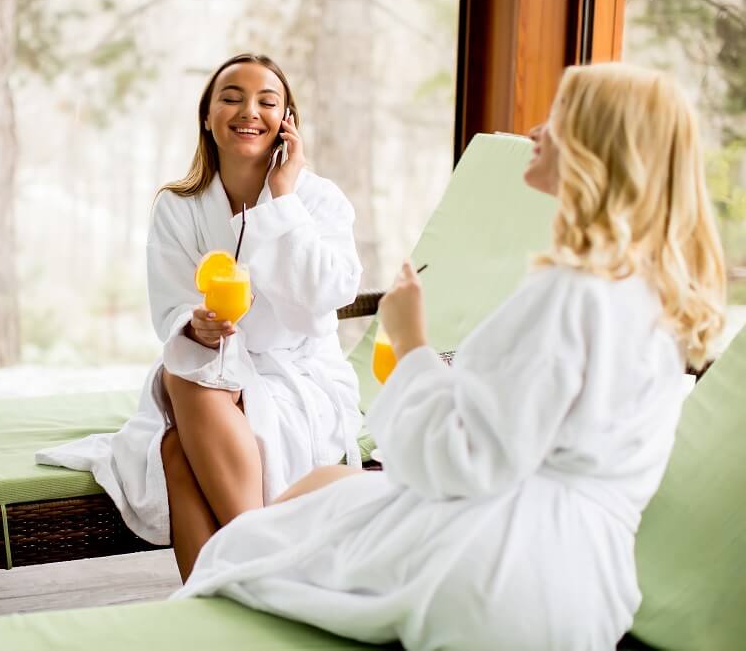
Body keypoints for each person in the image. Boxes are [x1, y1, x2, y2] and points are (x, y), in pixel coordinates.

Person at [174, 63, 727, 650]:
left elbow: (461, 460)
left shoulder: (568, 293)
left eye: (559, 119)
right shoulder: (654, 296)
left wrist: (411, 342)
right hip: (589, 577)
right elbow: (532, 423)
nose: (536, 131)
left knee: (245, 549)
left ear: (597, 150)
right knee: (318, 487)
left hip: (500, 569)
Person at [36, 53, 364, 581]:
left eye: (267, 101)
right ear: (207, 117)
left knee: (176, 447)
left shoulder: (319, 201)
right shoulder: (178, 206)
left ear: (288, 123)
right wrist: (195, 326)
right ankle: (258, 572)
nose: (248, 111)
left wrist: (283, 201)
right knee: (183, 367)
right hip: (215, 366)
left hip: (296, 375)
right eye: (231, 98)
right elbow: (169, 307)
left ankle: (227, 590)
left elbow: (324, 296)